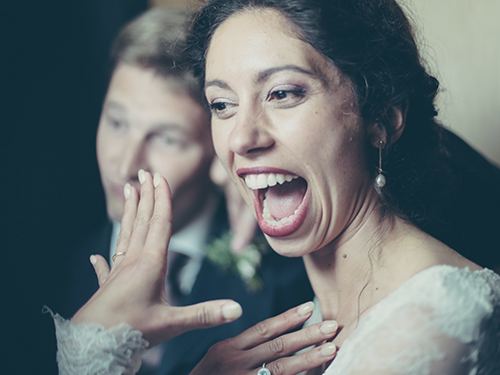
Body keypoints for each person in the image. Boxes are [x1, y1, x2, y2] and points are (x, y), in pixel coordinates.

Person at [52, 1, 500, 374]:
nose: (243, 138)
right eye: (222, 104)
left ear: (382, 116)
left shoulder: (432, 317)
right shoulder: (314, 316)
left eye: (283, 93)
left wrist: (94, 355)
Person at [60, 7, 313, 375]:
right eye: (116, 122)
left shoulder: (289, 264)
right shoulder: (46, 269)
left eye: (167, 139)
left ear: (216, 148)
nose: (126, 163)